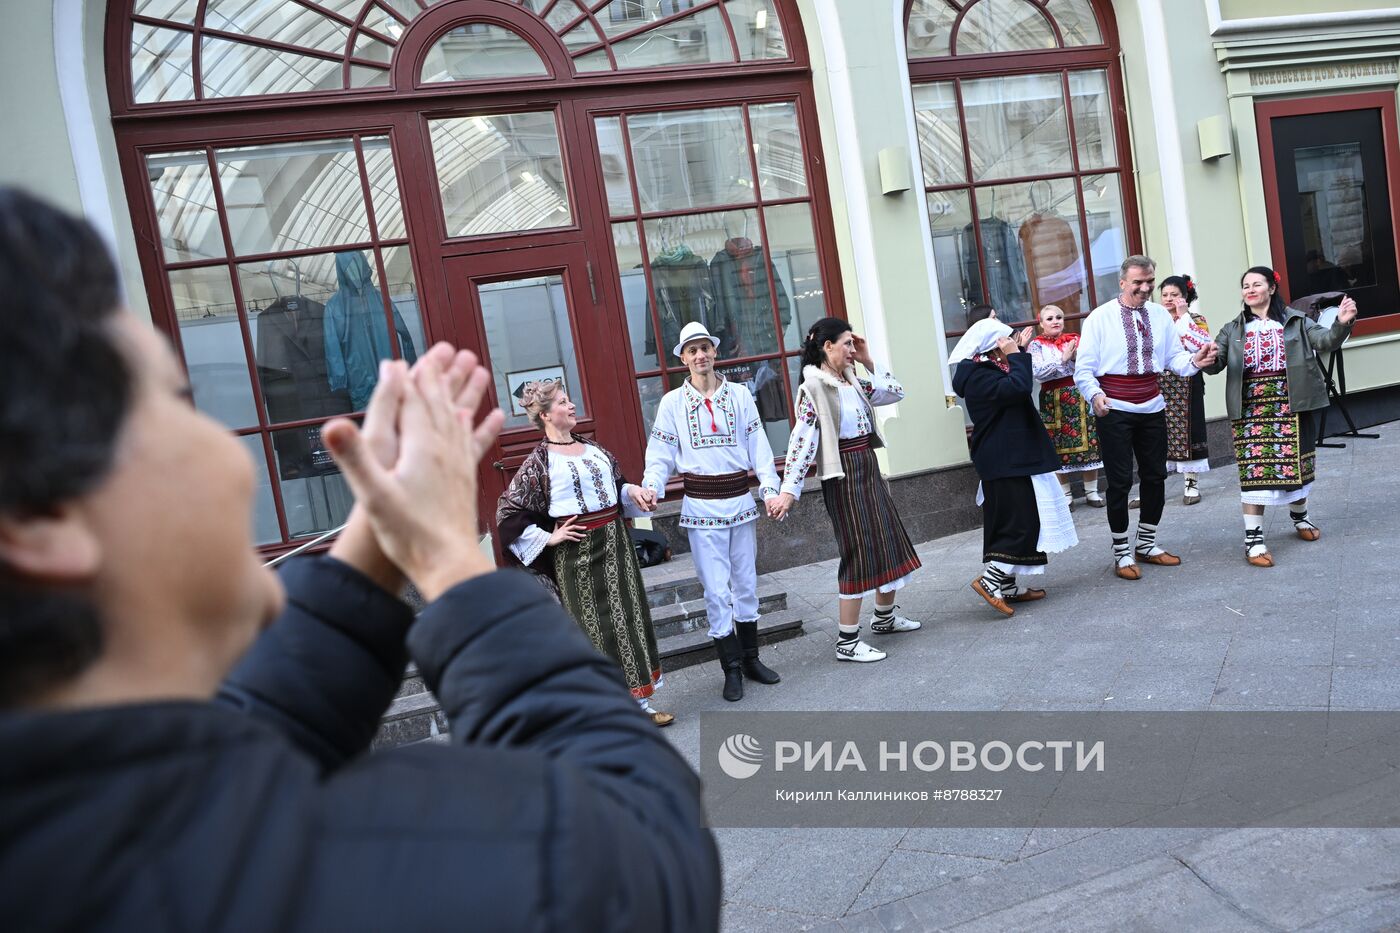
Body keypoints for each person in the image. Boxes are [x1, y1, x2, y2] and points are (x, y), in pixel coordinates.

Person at [0, 189, 720, 929]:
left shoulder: (64, 831)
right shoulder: (353, 865)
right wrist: (446, 556)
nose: (238, 460)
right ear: (42, 520)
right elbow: (648, 847)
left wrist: (372, 540)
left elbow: (244, 743)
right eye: (176, 402)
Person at [495, 381, 673, 726]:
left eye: (569, 399)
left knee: (628, 620)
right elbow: (507, 513)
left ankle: (639, 707)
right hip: (576, 556)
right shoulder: (539, 462)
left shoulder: (594, 450)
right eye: (563, 402)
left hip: (617, 545)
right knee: (591, 630)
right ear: (546, 415)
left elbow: (615, 486)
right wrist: (548, 538)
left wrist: (633, 491)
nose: (572, 405)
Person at [639, 321, 782, 703]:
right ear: (683, 359)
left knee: (747, 584)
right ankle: (730, 669)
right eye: (692, 350)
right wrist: (652, 486)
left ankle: (751, 659)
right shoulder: (672, 403)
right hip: (701, 507)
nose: (700, 355)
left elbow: (759, 446)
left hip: (739, 502)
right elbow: (660, 454)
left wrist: (770, 490)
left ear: (715, 352)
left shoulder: (739, 395)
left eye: (705, 348)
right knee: (717, 592)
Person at [770, 318, 922, 663]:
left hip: (866, 465)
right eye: (847, 344)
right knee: (857, 550)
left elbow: (896, 391)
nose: (852, 350)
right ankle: (847, 642)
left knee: (886, 538)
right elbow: (802, 442)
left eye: (854, 345)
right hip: (842, 476)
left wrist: (869, 360)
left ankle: (884, 618)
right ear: (827, 347)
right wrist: (789, 491)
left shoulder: (851, 381)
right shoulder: (815, 389)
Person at [1074, 255, 1218, 580]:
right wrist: (1095, 396)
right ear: (1122, 282)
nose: (1145, 288)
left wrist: (1196, 359)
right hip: (1114, 408)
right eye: (1138, 282)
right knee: (1121, 481)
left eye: (1149, 281)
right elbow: (1083, 369)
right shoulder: (1099, 318)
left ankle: (1147, 544)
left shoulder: (1159, 315)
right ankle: (1122, 552)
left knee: (1155, 476)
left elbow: (1174, 360)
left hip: (1152, 404)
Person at [1203, 266, 1357, 566]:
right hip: (1250, 408)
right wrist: (1206, 359)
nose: (1249, 290)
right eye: (1245, 285)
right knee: (1255, 472)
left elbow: (1326, 341)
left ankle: (1300, 518)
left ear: (1271, 289)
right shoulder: (1232, 329)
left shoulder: (1297, 321)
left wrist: (1341, 323)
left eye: (1256, 284)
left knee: (1296, 466)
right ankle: (1254, 541)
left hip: (1292, 403)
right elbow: (1216, 362)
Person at [951, 319, 1078, 615]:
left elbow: (1015, 385)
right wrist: (1018, 355)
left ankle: (1007, 587)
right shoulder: (980, 376)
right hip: (1005, 459)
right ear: (995, 348)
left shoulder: (988, 370)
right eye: (1005, 340)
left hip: (1011, 457)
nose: (1011, 342)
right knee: (1021, 522)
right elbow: (1020, 388)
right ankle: (990, 580)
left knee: (1014, 519)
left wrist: (1015, 352)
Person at [1028, 304, 1104, 509]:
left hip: (1079, 394)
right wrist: (1062, 359)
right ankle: (1066, 495)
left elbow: (1092, 364)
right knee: (1057, 445)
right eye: (1050, 318)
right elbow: (1037, 373)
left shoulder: (1076, 339)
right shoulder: (1036, 345)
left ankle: (1092, 492)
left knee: (1089, 443)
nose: (1055, 321)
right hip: (1052, 399)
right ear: (1041, 323)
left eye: (1059, 317)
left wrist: (1075, 357)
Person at [1158, 274, 1213, 503]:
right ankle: (1153, 484)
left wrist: (1183, 317)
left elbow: (1202, 345)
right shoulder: (1155, 319)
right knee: (1156, 433)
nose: (1169, 299)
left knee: (1190, 429)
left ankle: (1191, 483)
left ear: (1185, 297)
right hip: (1159, 383)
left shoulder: (1196, 319)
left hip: (1188, 381)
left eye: (1175, 295)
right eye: (1165, 295)